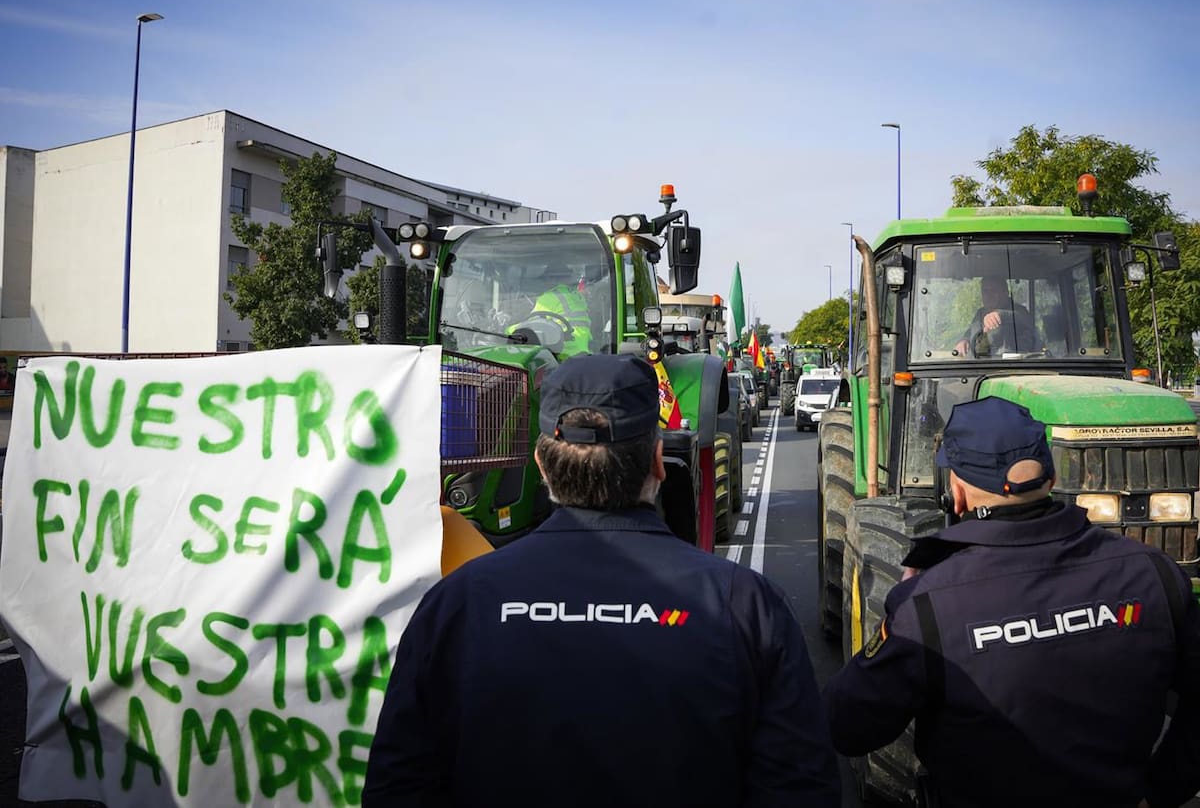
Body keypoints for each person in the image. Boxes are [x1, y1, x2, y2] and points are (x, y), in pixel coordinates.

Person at [365, 354, 840, 807]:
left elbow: (399, 785)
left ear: (541, 464)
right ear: (658, 461)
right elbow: (800, 786)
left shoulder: (456, 604)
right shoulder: (747, 605)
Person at [823, 396, 1200, 808]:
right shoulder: (1157, 574)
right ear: (1051, 478)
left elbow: (847, 726)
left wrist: (900, 612)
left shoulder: (928, 607)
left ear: (956, 491)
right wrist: (1160, 792)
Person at [506, 260, 592, 357]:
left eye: (546, 279)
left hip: (565, 352)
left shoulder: (551, 296)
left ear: (551, 279)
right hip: (583, 349)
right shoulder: (576, 295)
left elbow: (532, 326)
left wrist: (507, 331)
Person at [953, 274, 1042, 357]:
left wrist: (1000, 315)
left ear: (1005, 293)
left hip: (1015, 365)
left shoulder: (1020, 311)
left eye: (993, 291)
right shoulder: (980, 313)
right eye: (985, 291)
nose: (988, 295)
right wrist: (964, 340)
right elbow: (971, 331)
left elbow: (1024, 320)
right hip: (979, 364)